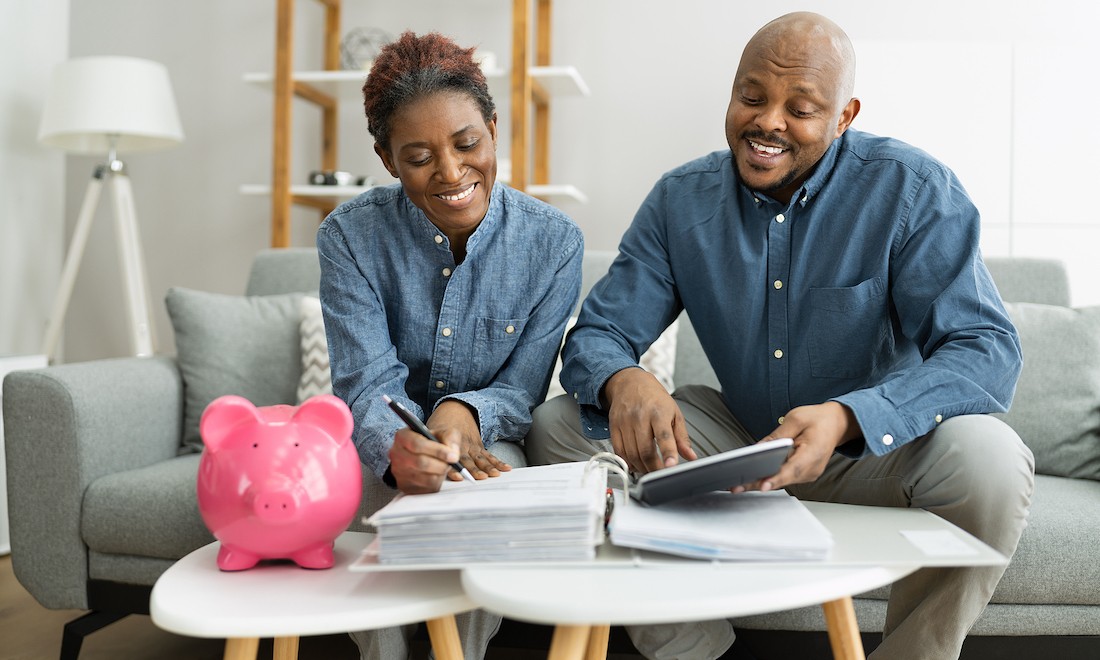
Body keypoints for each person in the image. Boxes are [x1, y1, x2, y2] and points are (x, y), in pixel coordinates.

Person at [526, 11, 1034, 660]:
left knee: (990, 460)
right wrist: (626, 379)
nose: (768, 122)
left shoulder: (912, 189)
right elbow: (599, 331)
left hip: (868, 450)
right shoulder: (679, 201)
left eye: (801, 108)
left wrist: (849, 416)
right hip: (738, 437)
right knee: (559, 427)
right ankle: (700, 650)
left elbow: (986, 351)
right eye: (753, 97)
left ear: (845, 116)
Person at [317, 30, 583, 660]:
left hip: (491, 441)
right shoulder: (349, 238)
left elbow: (523, 390)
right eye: (419, 157)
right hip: (386, 433)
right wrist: (396, 449)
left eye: (469, 144)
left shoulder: (555, 244)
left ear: (493, 129)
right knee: (376, 494)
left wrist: (464, 412)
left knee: (487, 507)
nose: (452, 172)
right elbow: (364, 386)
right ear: (386, 159)